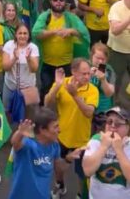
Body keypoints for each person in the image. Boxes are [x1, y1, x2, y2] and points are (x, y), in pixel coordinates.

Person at [45, 58, 99, 197]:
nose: (87, 77)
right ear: (74, 72)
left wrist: (74, 95)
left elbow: (88, 113)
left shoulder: (92, 90)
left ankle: (81, 194)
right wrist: (57, 85)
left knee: (82, 174)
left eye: (88, 73)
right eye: (83, 74)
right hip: (62, 137)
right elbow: (47, 103)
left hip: (82, 141)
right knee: (58, 167)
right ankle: (60, 185)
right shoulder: (63, 84)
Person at [32, 0, 90, 100]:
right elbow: (36, 33)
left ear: (65, 2)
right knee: (46, 91)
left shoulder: (71, 18)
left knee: (66, 93)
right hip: (47, 64)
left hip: (67, 64)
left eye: (61, 0)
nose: (58, 2)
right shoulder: (45, 17)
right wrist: (54, 32)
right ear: (50, 2)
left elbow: (84, 34)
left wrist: (71, 31)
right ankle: (45, 115)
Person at [8, 109, 62, 199]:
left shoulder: (55, 145)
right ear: (42, 130)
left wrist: (69, 159)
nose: (59, 130)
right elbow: (15, 143)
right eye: (55, 127)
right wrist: (20, 133)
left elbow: (59, 168)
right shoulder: (28, 144)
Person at [82, 106, 130, 199]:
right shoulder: (96, 140)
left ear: (127, 128)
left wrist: (119, 151)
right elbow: (87, 171)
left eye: (118, 124)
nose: (112, 126)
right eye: (109, 122)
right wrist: (103, 147)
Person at [2, 24, 40, 116]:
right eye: (20, 33)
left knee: (29, 115)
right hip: (10, 86)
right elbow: (5, 67)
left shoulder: (33, 47)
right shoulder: (9, 45)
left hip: (28, 88)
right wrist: (14, 58)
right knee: (7, 113)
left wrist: (28, 59)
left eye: (25, 33)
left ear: (29, 35)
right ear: (16, 35)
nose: (22, 36)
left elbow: (34, 69)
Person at [108, 0, 130, 95]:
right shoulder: (116, 7)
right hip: (118, 52)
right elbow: (115, 31)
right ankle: (112, 102)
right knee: (115, 79)